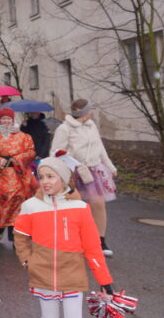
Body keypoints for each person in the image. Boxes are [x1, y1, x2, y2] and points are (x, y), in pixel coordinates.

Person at [14, 157, 115, 318]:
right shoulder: (31, 206)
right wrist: (29, 263)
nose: (45, 182)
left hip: (72, 275)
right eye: (42, 177)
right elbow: (20, 237)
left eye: (51, 176)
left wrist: (104, 280)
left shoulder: (80, 208)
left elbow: (92, 247)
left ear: (64, 179)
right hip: (43, 274)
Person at [51, 99, 119, 256]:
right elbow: (55, 151)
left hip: (93, 171)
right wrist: (64, 165)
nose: (92, 112)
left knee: (98, 204)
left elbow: (100, 148)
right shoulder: (64, 129)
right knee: (75, 208)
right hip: (74, 172)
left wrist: (110, 166)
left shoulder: (91, 126)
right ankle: (73, 241)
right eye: (89, 109)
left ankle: (100, 241)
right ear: (84, 113)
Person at [0, 106, 37, 246]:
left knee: (18, 202)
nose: (6, 121)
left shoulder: (24, 137)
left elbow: (31, 152)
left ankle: (14, 236)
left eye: (8, 119)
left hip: (18, 175)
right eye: (3, 118)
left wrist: (17, 158)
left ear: (12, 120)